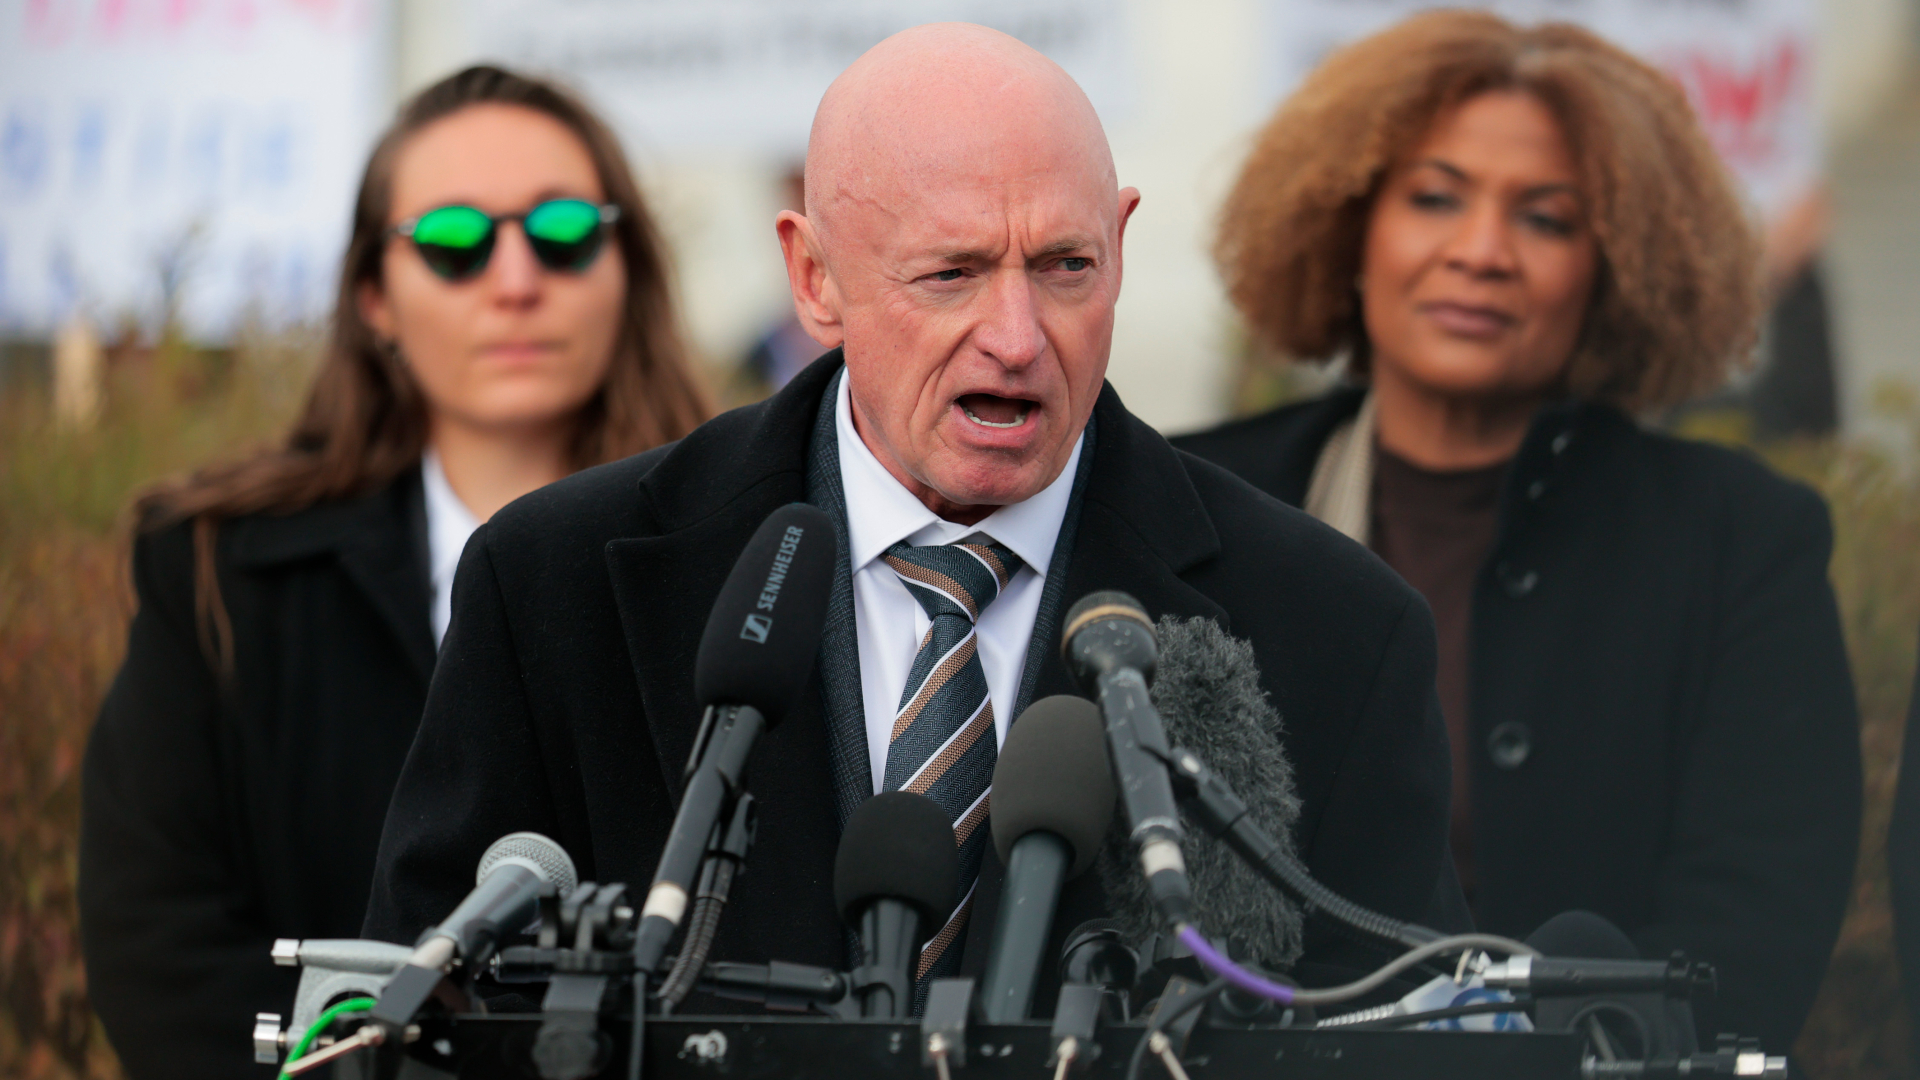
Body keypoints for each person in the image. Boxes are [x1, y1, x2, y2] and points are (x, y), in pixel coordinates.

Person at [363, 23, 1464, 1017]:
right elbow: (433, 1015)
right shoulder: (561, 585)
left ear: (1121, 246)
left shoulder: (1335, 631)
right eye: (953, 273)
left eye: (1066, 266)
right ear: (813, 275)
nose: (1019, 336)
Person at [1171, 11, 1860, 1053]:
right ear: (1347, 224)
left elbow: (1750, 941)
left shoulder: (1743, 541)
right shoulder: (1190, 495)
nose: (1482, 252)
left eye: (1546, 218)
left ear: (1620, 266)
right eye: (1435, 198)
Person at [79, 65, 710, 1079]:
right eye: (456, 243)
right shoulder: (216, 568)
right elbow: (157, 942)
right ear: (375, 294)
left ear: (623, 266)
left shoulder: (754, 558)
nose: (515, 279)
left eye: (561, 232)